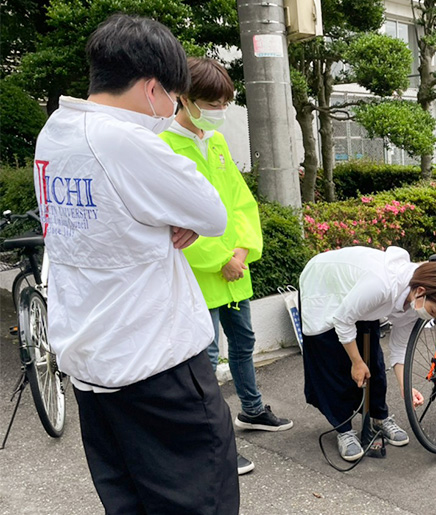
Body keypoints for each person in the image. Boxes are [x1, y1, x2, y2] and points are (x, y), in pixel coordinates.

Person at [33, 14, 239, 514]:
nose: (172, 110)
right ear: (152, 89)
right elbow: (211, 212)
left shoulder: (54, 133)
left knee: (128, 502)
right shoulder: (126, 141)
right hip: (157, 367)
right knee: (200, 501)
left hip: (92, 369)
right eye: (172, 97)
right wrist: (178, 214)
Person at [159, 57, 293, 477]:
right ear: (184, 97)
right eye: (211, 102)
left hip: (235, 271)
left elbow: (240, 204)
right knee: (205, 360)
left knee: (244, 343)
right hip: (201, 276)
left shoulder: (214, 143)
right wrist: (222, 259)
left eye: (224, 102)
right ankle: (214, 443)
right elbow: (177, 220)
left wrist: (241, 252)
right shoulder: (164, 145)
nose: (219, 110)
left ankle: (251, 410)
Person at [299, 246, 436, 461]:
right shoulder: (381, 285)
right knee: (334, 363)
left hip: (359, 298)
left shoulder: (414, 302)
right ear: (422, 291)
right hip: (324, 286)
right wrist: (356, 362)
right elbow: (342, 319)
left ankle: (379, 417)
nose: (430, 317)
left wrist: (404, 387)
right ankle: (343, 429)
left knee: (374, 360)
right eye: (434, 312)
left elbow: (399, 348)